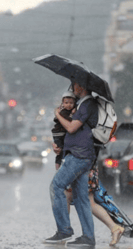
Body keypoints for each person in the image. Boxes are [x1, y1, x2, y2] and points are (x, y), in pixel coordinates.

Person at [45, 81, 98, 247]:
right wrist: (59, 147)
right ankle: (88, 238)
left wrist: (57, 113)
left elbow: (72, 128)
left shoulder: (87, 104)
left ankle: (64, 229)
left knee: (56, 186)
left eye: (75, 84)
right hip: (78, 154)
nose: (72, 87)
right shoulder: (81, 104)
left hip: (79, 155)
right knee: (81, 198)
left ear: (81, 87)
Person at [51, 90, 76, 170]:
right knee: (60, 150)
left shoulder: (65, 111)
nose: (69, 105)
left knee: (61, 150)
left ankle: (59, 166)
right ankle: (58, 167)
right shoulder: (63, 112)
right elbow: (68, 121)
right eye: (66, 103)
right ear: (62, 103)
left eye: (71, 103)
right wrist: (73, 114)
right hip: (59, 134)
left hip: (61, 134)